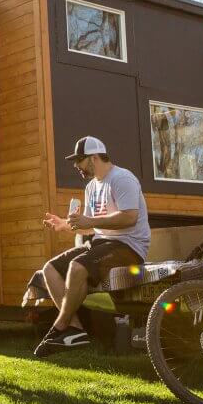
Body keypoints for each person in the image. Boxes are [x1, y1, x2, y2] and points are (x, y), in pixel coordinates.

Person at [36, 136, 150, 357]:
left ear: (94, 158)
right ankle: (75, 330)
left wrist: (92, 222)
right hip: (101, 244)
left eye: (79, 160)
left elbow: (130, 217)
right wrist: (65, 225)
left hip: (129, 247)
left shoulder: (122, 178)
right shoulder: (91, 187)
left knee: (78, 267)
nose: (76, 166)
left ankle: (58, 327)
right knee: (50, 269)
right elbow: (89, 227)